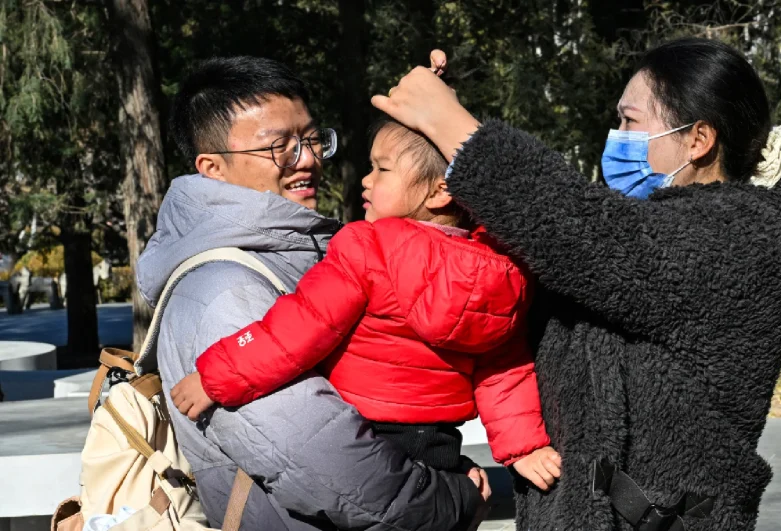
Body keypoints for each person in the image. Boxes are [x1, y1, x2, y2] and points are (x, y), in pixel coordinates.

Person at [371, 38, 781, 531]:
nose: (616, 136)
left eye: (630, 121)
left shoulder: (744, 241)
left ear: (698, 140)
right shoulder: (633, 239)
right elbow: (528, 261)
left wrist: (450, 123)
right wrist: (433, 144)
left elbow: (578, 228)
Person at [136, 56, 486, 531]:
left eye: (311, 138)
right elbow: (326, 464)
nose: (307, 159)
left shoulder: (311, 250)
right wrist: (447, 499)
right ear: (212, 167)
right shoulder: (221, 290)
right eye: (279, 146)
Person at [171, 116, 562, 491]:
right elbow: (505, 369)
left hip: (362, 431)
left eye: (382, 169)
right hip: (439, 443)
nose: (366, 179)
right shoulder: (503, 274)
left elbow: (297, 328)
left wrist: (215, 378)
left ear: (439, 191)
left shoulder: (366, 247)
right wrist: (524, 448)